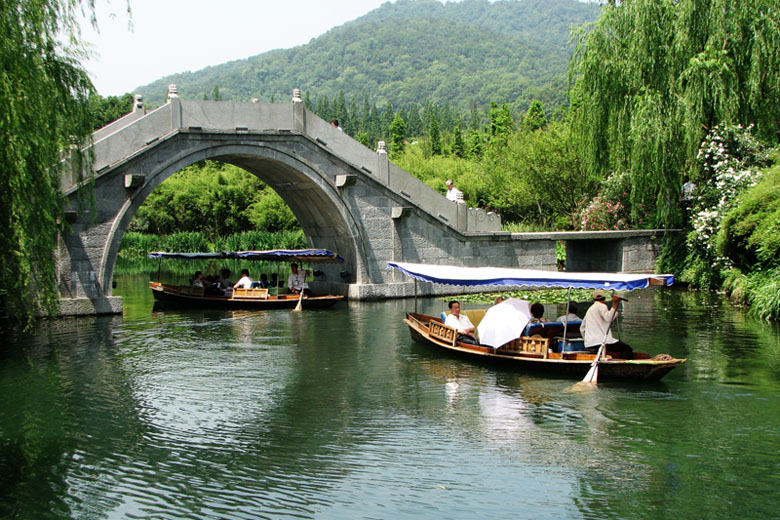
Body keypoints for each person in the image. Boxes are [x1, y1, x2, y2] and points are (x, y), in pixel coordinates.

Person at [580, 289, 633, 358]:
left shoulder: (590, 309)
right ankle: (624, 366)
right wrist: (615, 303)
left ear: (593, 299)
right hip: (602, 342)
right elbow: (609, 318)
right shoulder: (602, 306)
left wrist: (587, 340)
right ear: (604, 298)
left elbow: (582, 328)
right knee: (627, 349)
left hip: (590, 344)